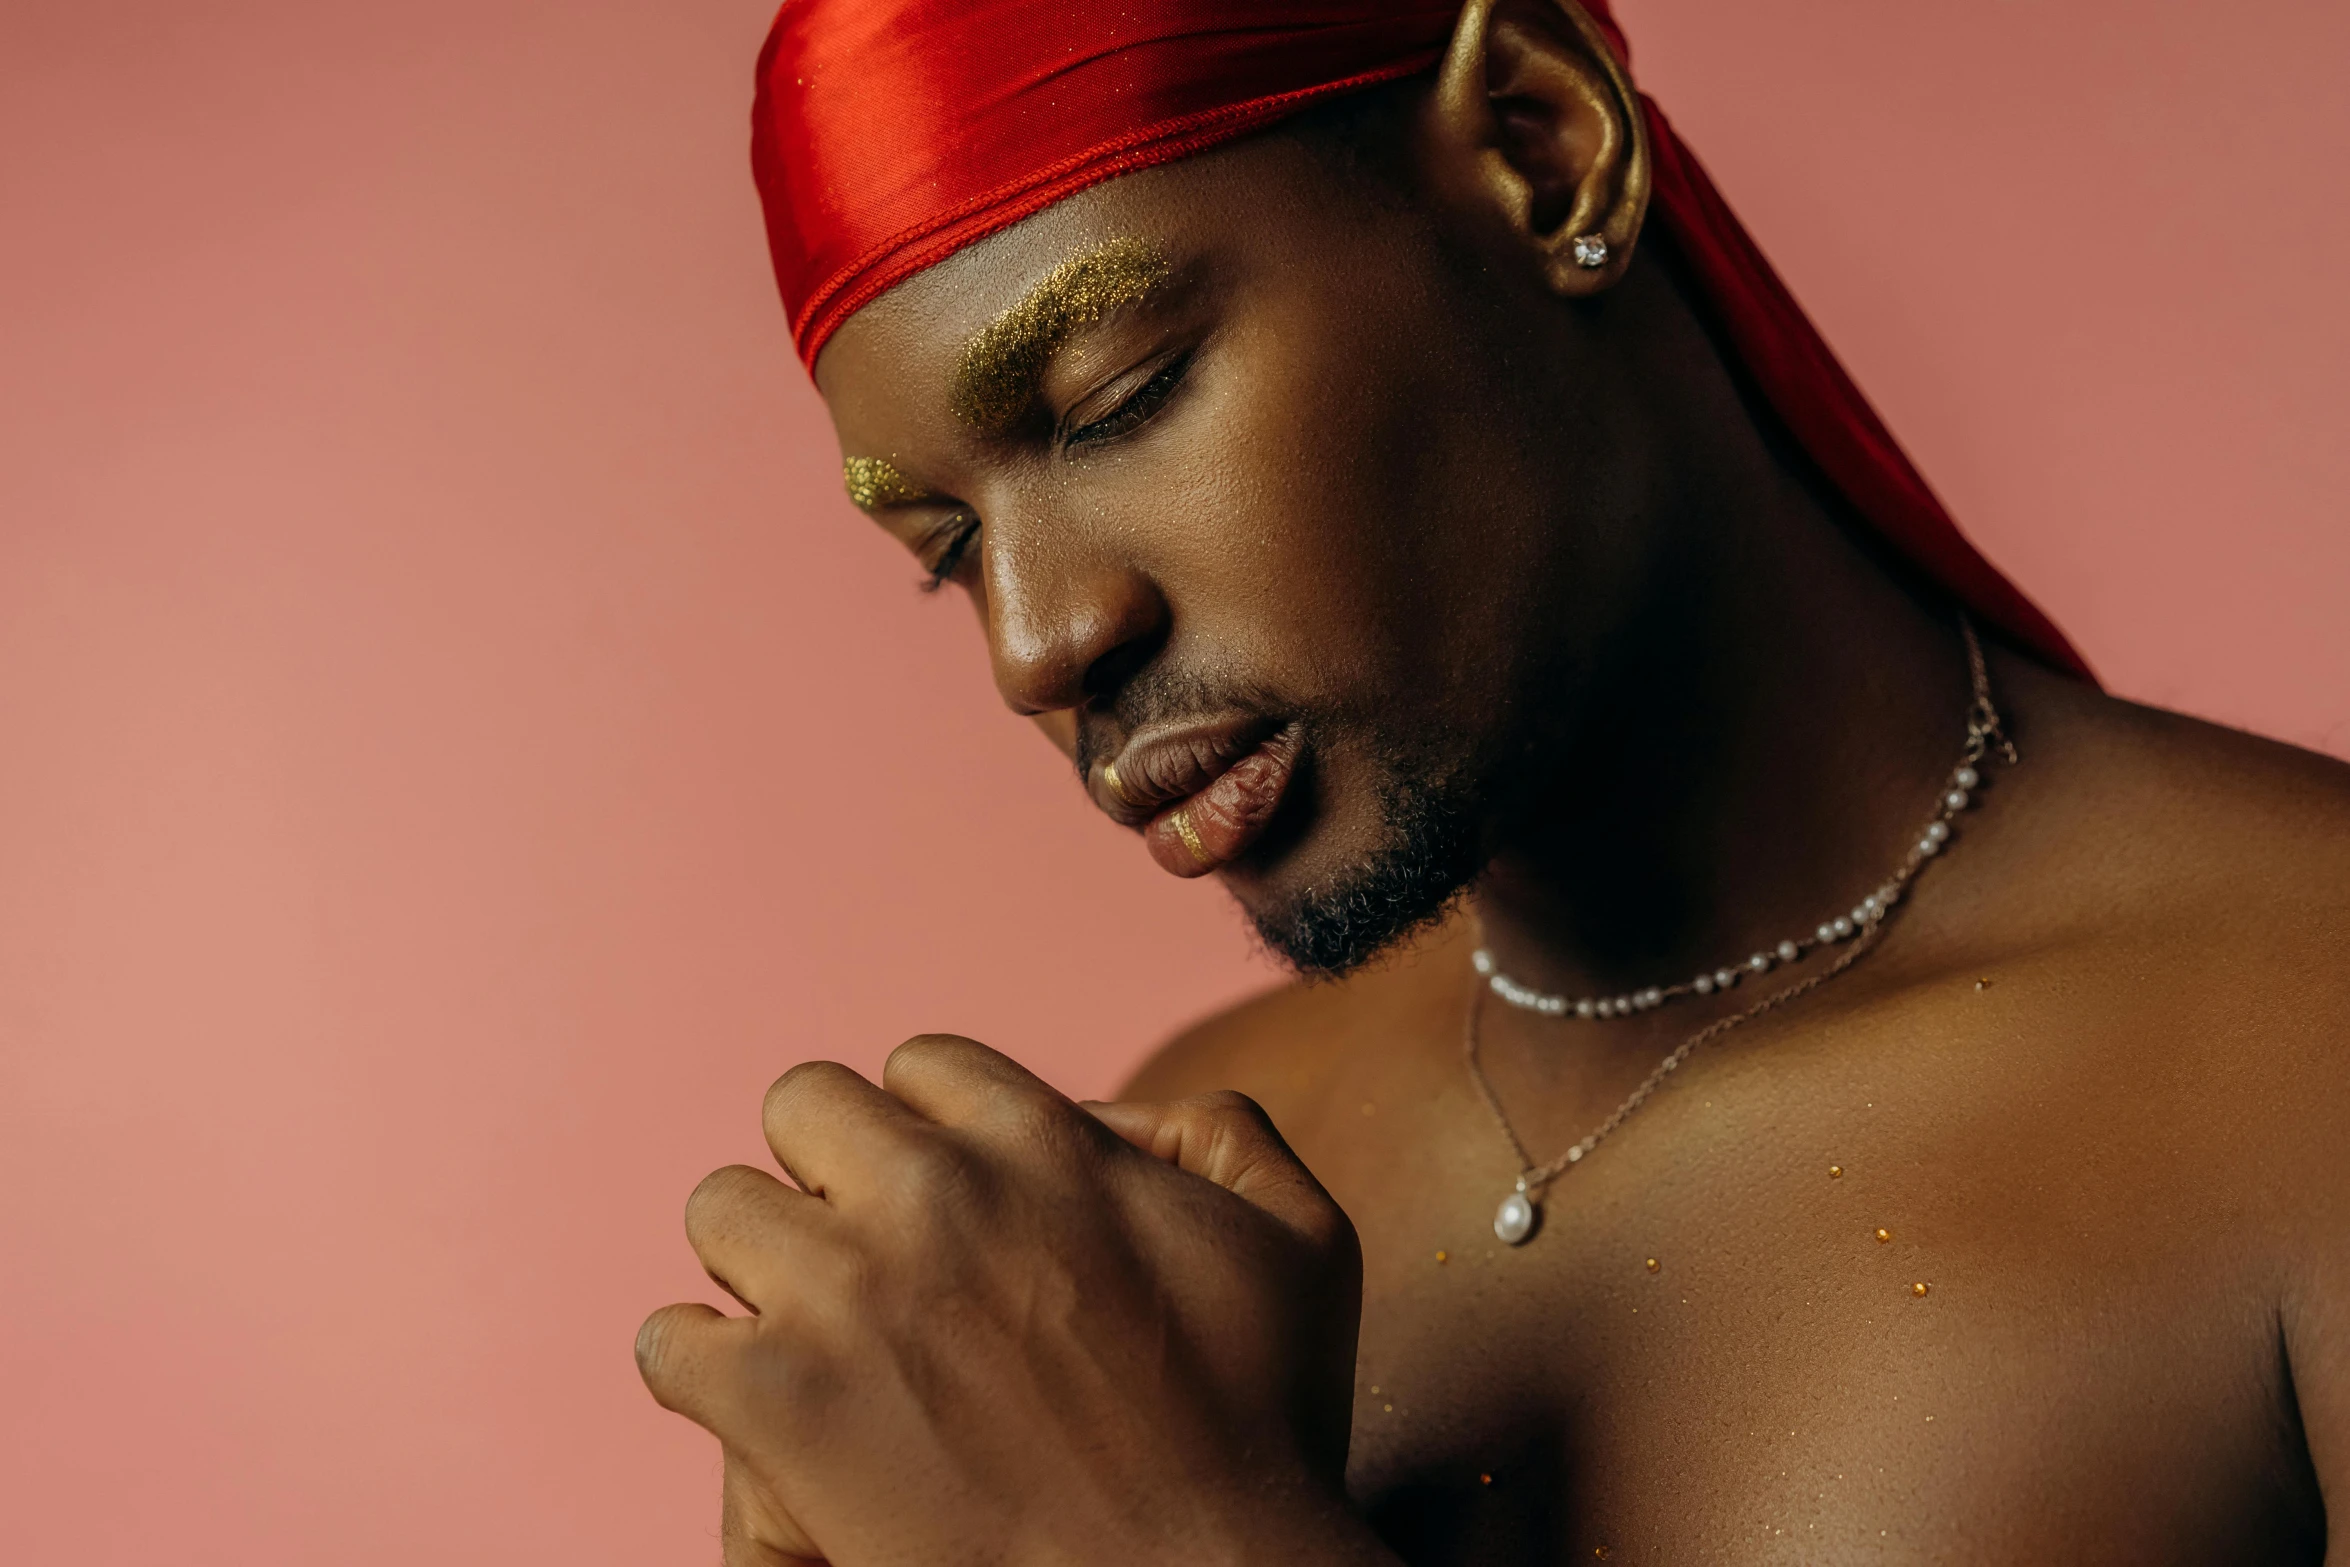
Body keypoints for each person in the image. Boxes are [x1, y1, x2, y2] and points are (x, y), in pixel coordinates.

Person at [633, 1, 2350, 1560]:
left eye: (1116, 401)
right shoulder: (1163, 1219)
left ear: (1538, 143)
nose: (1036, 641)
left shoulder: (2301, 1060)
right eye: (946, 549)